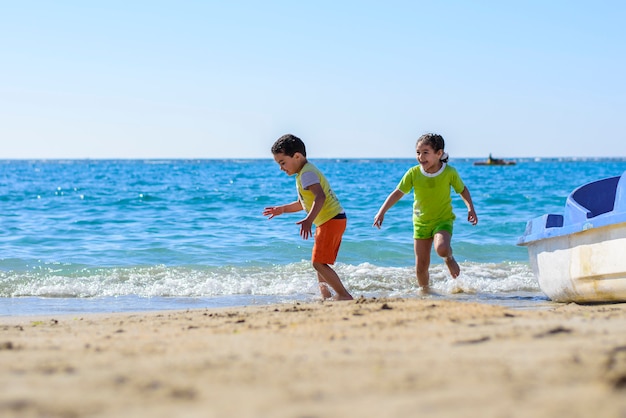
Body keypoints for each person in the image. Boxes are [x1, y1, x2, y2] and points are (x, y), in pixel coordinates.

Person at [373, 133, 478, 291]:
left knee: (441, 248)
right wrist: (382, 212)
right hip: (421, 223)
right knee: (421, 266)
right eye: (418, 153)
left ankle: (449, 258)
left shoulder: (449, 172)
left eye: (425, 152)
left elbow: (462, 190)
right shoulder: (413, 173)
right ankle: (425, 291)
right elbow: (398, 192)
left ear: (439, 153)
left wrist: (470, 208)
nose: (420, 157)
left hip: (443, 220)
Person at [263, 134, 353, 301]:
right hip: (332, 219)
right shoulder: (304, 172)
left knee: (318, 263)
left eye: (283, 163)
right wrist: (281, 209)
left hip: (330, 220)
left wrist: (309, 220)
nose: (281, 168)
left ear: (297, 156)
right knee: (319, 262)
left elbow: (320, 197)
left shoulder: (307, 174)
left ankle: (343, 295)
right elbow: (302, 203)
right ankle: (326, 296)